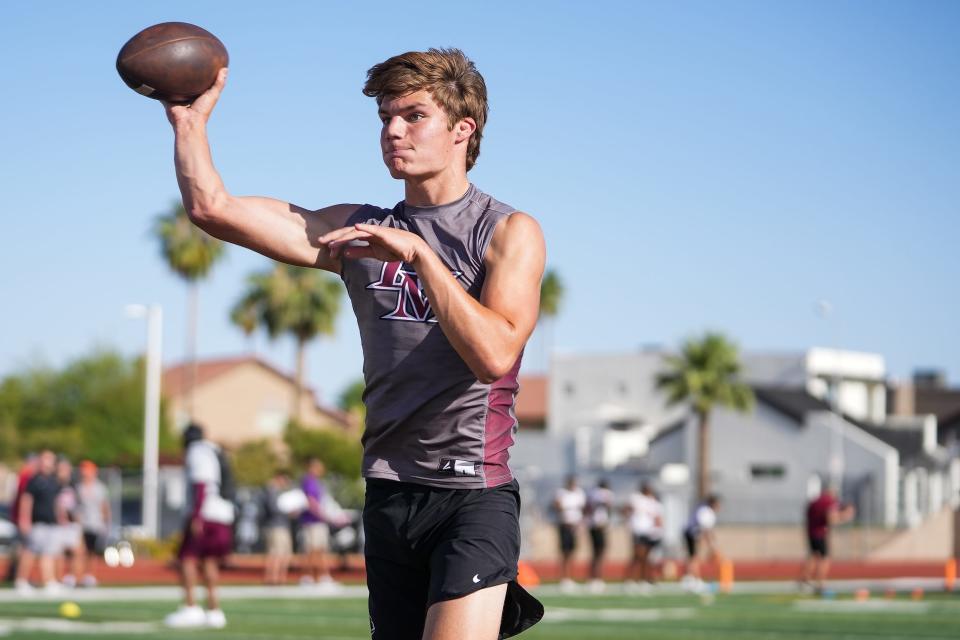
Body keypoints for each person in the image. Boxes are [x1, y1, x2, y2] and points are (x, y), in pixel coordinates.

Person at [163, 47, 545, 639]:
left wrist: (420, 256)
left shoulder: (506, 231)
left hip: (472, 494)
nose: (393, 130)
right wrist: (189, 122)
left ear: (463, 130)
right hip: (388, 491)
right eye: (385, 117)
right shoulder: (359, 230)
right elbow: (214, 210)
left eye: (413, 115)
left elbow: (494, 355)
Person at [164, 424, 235, 629]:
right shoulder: (215, 450)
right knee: (210, 562)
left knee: (187, 559)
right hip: (223, 514)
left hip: (205, 513)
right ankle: (214, 611)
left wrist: (196, 516)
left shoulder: (197, 451)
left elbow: (202, 483)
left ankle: (191, 608)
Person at [15, 450, 60, 594]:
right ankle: (21, 580)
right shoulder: (34, 480)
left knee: (48, 553)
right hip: (36, 522)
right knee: (30, 551)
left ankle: (49, 581)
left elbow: (56, 503)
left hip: (50, 523)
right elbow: (26, 500)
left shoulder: (53, 481)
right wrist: (24, 519)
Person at [799, 486, 855, 595]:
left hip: (811, 532)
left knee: (813, 556)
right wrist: (844, 516)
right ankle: (821, 584)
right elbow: (831, 519)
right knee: (824, 559)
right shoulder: (829, 502)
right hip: (820, 533)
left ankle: (804, 579)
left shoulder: (814, 501)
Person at [298, 458, 335, 587]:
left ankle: (322, 576)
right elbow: (310, 501)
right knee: (312, 550)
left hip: (319, 521)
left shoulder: (318, 482)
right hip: (312, 522)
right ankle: (310, 577)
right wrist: (323, 514)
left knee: (321, 549)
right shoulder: (308, 481)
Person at [75, 460, 111, 587]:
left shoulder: (100, 488)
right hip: (82, 524)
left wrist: (106, 523)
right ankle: (77, 577)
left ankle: (90, 576)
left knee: (93, 552)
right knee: (80, 551)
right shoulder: (78, 487)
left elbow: (104, 506)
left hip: (96, 523)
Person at [624, 483, 663, 594]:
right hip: (637, 530)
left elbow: (657, 517)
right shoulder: (636, 498)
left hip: (649, 532)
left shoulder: (652, 501)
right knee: (638, 555)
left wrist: (658, 529)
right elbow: (627, 509)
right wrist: (628, 519)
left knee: (646, 557)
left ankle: (643, 579)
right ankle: (631, 579)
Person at [4, 453, 37, 585]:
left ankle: (16, 574)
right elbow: (24, 499)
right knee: (25, 548)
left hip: (19, 517)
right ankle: (19, 576)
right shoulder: (26, 476)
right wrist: (24, 518)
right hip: (21, 518)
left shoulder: (25, 476)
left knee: (20, 547)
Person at [53, 457, 85, 588]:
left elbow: (77, 505)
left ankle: (76, 579)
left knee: (78, 551)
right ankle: (58, 579)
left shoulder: (73, 485)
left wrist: (79, 521)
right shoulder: (53, 484)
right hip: (58, 524)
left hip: (72, 523)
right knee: (58, 553)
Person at [261, 469, 296, 585]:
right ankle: (272, 578)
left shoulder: (278, 492)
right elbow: (273, 509)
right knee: (276, 554)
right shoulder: (271, 491)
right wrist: (288, 512)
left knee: (284, 554)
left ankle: (280, 578)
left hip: (282, 526)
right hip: (276, 527)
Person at [552, 475, 586, 592]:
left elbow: (583, 508)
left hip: (575, 526)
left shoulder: (579, 493)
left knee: (572, 551)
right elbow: (557, 505)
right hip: (565, 525)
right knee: (565, 551)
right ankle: (564, 577)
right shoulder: (561, 492)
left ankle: (570, 576)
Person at [682, 494, 721, 592]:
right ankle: (696, 580)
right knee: (694, 558)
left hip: (690, 533)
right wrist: (712, 545)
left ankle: (691, 579)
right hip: (692, 533)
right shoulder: (707, 512)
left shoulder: (703, 509)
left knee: (692, 558)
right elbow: (706, 530)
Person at [584, 478, 614, 592]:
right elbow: (606, 506)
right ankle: (596, 577)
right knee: (599, 552)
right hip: (598, 525)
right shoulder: (602, 494)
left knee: (596, 552)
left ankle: (594, 577)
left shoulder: (591, 493)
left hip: (594, 525)